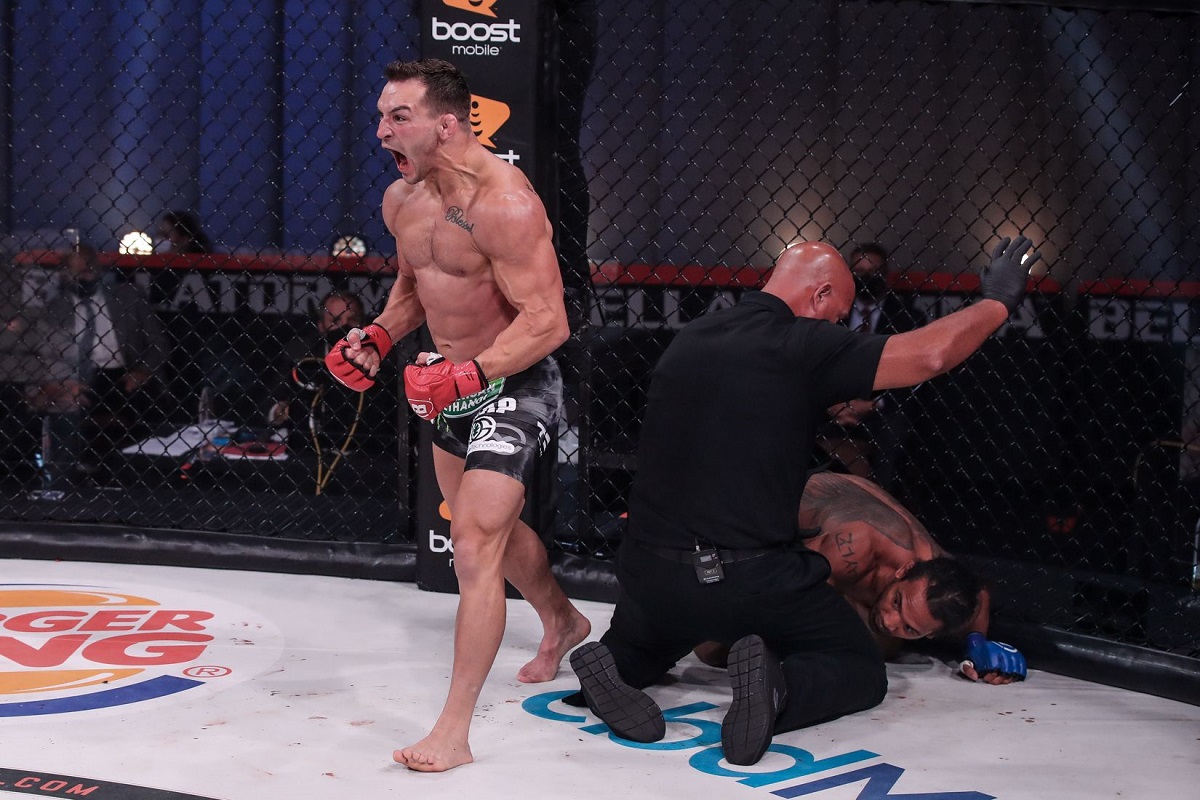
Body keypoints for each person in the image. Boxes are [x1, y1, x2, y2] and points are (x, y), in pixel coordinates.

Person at [568, 234, 1040, 766]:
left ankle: (615, 666)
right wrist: (997, 301)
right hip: (745, 578)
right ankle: (779, 690)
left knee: (646, 642)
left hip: (647, 572)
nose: (837, 327)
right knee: (858, 665)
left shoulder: (692, 336)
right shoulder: (803, 344)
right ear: (819, 295)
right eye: (837, 317)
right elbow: (930, 355)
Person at [323, 58, 591, 772]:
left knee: (472, 543)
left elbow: (549, 321)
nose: (382, 132)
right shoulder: (402, 200)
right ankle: (562, 619)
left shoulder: (506, 204)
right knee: (483, 526)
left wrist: (471, 374)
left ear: (446, 125)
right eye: (381, 117)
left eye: (398, 117)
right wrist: (378, 337)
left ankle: (453, 732)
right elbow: (416, 289)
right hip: (451, 387)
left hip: (515, 379)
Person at [692, 471, 1026, 685]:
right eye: (897, 602)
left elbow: (978, 593)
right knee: (713, 650)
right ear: (904, 570)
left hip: (825, 553)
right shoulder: (857, 546)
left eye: (911, 628)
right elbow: (782, 589)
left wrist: (977, 646)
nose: (892, 621)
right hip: (756, 513)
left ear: (930, 635)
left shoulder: (937, 576)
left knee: (877, 644)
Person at [26, 243, 169, 484]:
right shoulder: (55, 308)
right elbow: (47, 356)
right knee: (63, 408)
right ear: (65, 275)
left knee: (144, 403)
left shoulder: (127, 296)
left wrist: (142, 371)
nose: (85, 277)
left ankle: (140, 479)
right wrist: (63, 384)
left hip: (123, 373)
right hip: (80, 376)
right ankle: (64, 479)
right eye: (78, 272)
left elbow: (159, 344)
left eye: (89, 270)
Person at [815, 243, 919, 492]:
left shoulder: (906, 318)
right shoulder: (831, 313)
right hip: (833, 401)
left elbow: (912, 375)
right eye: (859, 272)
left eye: (873, 272)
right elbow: (817, 363)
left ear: (885, 275)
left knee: (895, 431)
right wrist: (833, 404)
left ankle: (881, 499)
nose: (866, 278)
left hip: (882, 406)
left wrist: (873, 404)